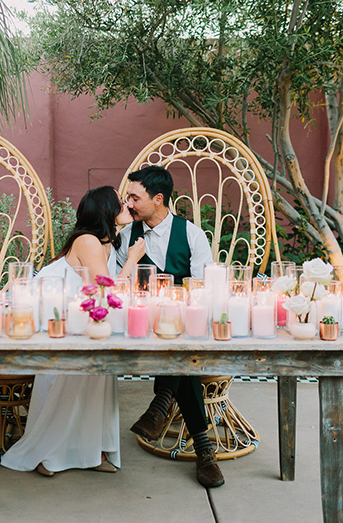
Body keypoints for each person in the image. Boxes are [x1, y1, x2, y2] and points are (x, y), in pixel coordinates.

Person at [0, 185, 145, 477]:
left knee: (99, 378)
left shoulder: (104, 242)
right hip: (54, 319)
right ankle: (46, 453)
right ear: (106, 211)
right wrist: (132, 261)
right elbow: (105, 290)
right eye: (121, 202)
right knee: (68, 382)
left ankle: (92, 452)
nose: (127, 206)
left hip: (79, 317)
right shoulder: (89, 241)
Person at [115, 165, 224, 488]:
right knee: (179, 349)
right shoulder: (126, 237)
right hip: (141, 324)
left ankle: (162, 401)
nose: (128, 203)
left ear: (158, 199)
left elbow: (202, 289)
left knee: (181, 344)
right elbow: (118, 286)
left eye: (134, 197)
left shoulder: (191, 235)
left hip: (185, 324)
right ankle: (202, 445)